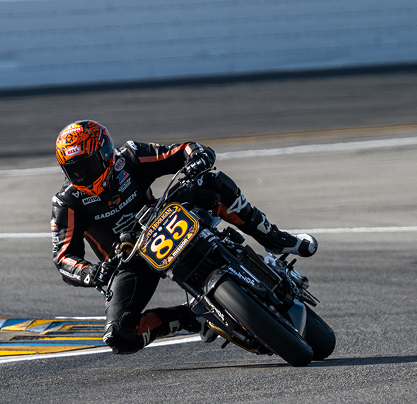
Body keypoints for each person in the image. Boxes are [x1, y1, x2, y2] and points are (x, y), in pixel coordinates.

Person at [51, 120, 317, 355]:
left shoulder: (129, 157)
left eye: (88, 165)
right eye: (74, 170)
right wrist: (94, 273)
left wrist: (198, 157)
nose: (83, 175)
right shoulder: (68, 201)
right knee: (120, 335)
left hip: (164, 218)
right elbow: (64, 258)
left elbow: (183, 150)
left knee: (208, 182)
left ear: (106, 153)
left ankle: (274, 237)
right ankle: (193, 318)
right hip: (128, 260)